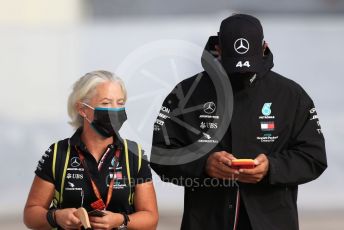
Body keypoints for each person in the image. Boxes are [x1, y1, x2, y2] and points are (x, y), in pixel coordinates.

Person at [150, 14, 327, 230]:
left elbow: (314, 157)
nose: (242, 72)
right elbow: (161, 155)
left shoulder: (291, 95)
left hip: (273, 221)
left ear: (264, 48)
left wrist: (272, 167)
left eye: (248, 64)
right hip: (206, 221)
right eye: (235, 64)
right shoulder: (186, 93)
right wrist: (203, 164)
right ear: (219, 49)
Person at [24, 71, 158, 230]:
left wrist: (121, 220)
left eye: (120, 103)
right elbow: (30, 215)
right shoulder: (57, 153)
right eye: (106, 103)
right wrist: (56, 217)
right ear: (82, 109)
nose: (115, 110)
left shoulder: (134, 153)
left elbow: (151, 218)